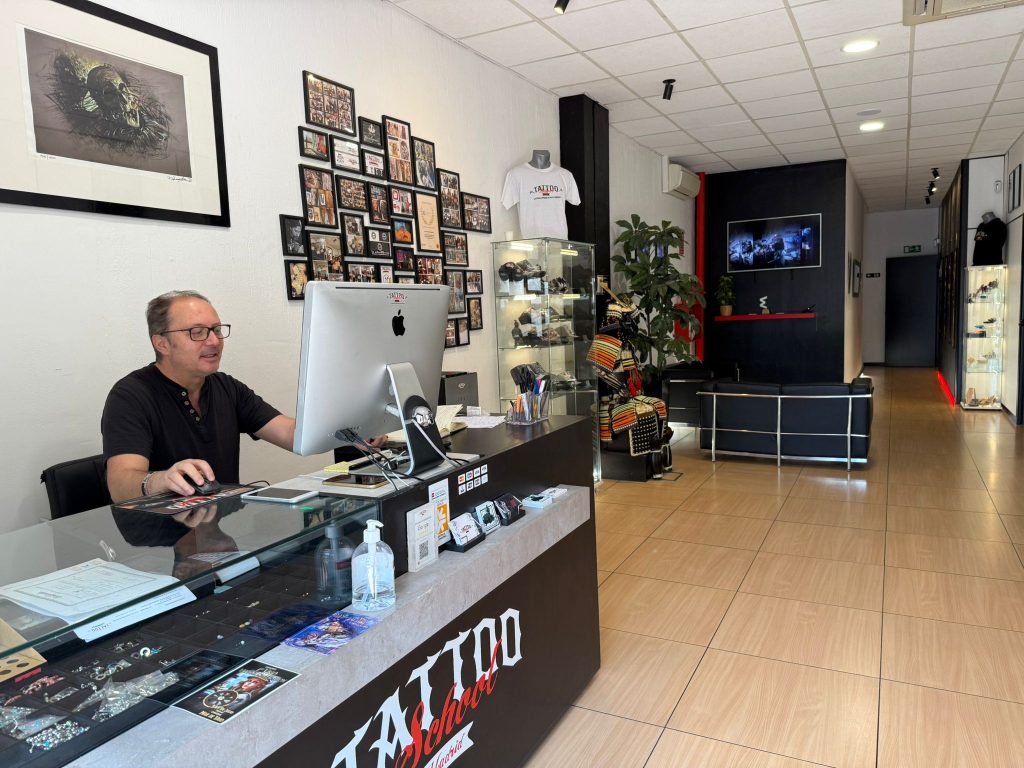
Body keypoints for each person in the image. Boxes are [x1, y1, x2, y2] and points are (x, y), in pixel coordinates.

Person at [102, 290, 296, 502]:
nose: (214, 341)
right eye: (197, 332)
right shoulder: (130, 396)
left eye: (216, 330)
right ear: (162, 344)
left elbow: (290, 433)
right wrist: (161, 480)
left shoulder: (227, 386)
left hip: (222, 519)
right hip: (161, 522)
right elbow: (119, 487)